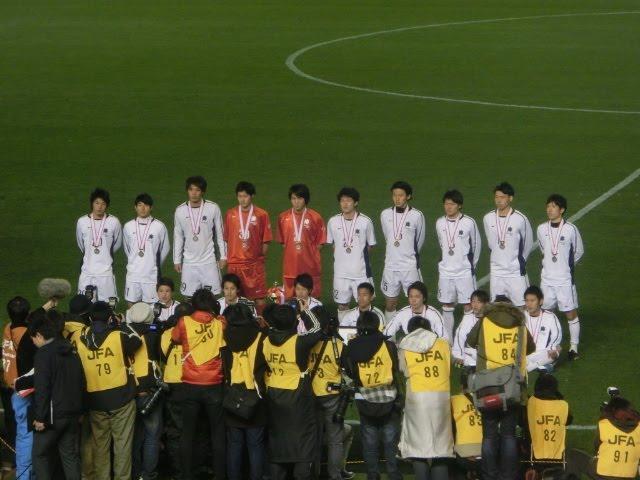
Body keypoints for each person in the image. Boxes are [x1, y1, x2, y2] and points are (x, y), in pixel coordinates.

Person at [466, 297, 535, 480]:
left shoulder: (485, 321)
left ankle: (489, 475)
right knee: (509, 435)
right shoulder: (519, 323)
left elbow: (470, 341)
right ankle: (509, 475)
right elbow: (530, 348)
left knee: (489, 435)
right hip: (513, 386)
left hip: (488, 386)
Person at [76, 301, 142, 480]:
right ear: (110, 318)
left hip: (95, 401)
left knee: (100, 448)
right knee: (122, 447)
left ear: (90, 319)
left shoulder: (81, 340)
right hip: (122, 399)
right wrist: (122, 323)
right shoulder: (118, 336)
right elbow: (137, 340)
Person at [261, 302, 324, 480]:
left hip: (274, 395)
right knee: (304, 441)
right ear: (294, 322)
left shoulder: (265, 339)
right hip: (298, 397)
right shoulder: (299, 342)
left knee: (278, 441)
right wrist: (305, 311)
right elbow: (317, 329)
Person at [171, 288, 227, 480]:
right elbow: (222, 324)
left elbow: (175, 338)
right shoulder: (219, 323)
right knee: (217, 432)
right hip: (214, 383)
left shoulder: (184, 322)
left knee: (188, 432)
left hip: (191, 383)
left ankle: (187, 475)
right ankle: (220, 475)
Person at [343, 311, 403, 480]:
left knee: (369, 443)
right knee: (390, 443)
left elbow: (349, 371)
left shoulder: (352, 346)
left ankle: (372, 475)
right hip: (389, 398)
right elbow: (395, 368)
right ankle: (393, 474)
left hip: (365, 400)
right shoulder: (388, 345)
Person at [29, 309, 85, 480]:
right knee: (69, 456)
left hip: (53, 417)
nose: (33, 343)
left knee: (39, 455)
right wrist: (81, 410)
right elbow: (82, 381)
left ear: (39, 335)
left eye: (33, 339)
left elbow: (42, 387)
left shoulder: (43, 353)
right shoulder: (71, 350)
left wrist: (40, 417)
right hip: (73, 414)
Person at [398, 316, 453, 480]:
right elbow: (448, 367)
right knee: (440, 449)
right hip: (441, 396)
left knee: (417, 448)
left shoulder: (405, 344)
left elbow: (403, 369)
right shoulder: (443, 343)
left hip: (417, 398)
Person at [221, 303, 268, 480]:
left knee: (234, 444)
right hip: (255, 396)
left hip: (233, 395)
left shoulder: (224, 337)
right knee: (255, 445)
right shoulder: (261, 336)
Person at [537, 194, 584, 360]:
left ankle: (573, 347)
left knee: (570, 313)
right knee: (545, 313)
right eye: (548, 206)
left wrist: (565, 266)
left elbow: (578, 251)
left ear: (562, 210)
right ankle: (546, 345)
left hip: (564, 280)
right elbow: (543, 249)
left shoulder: (571, 229)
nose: (549, 209)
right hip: (547, 280)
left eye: (553, 206)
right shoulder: (541, 229)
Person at [307, 307, 351, 480]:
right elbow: (349, 371)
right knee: (335, 440)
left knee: (313, 440)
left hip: (311, 394)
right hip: (332, 395)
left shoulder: (306, 342)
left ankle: (313, 475)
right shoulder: (339, 345)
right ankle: (335, 475)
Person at [435, 190, 481, 340]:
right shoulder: (439, 222)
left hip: (464, 272)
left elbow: (476, 245)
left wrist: (470, 265)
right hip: (445, 272)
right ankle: (448, 341)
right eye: (446, 204)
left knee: (468, 306)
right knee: (447, 305)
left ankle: (468, 339)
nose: (448, 207)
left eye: (452, 204)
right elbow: (442, 244)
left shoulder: (469, 222)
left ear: (459, 205)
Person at [326, 187, 376, 320]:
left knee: (364, 305)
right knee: (342, 306)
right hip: (341, 274)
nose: (345, 204)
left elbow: (370, 245)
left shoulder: (365, 221)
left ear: (356, 202)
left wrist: (357, 259)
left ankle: (365, 330)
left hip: (361, 273)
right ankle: (344, 330)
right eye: (342, 201)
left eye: (348, 200)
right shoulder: (333, 221)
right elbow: (333, 245)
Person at [380, 181, 426, 324]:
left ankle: (415, 332)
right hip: (390, 266)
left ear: (408, 196)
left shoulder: (417, 215)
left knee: (415, 302)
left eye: (401, 195)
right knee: (390, 303)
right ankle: (390, 335)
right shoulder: (385, 214)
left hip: (409, 267)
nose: (397, 198)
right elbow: (388, 237)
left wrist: (407, 253)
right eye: (394, 195)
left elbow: (419, 241)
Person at [173, 175, 227, 298]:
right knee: (189, 298)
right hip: (189, 262)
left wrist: (223, 256)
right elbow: (178, 236)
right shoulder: (180, 210)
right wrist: (177, 260)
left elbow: (221, 233)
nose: (194, 193)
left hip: (209, 261)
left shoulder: (213, 208)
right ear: (187, 191)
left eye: (197, 190)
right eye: (191, 189)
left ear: (203, 192)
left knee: (212, 297)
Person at [482, 182, 533, 307]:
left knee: (522, 306)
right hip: (496, 271)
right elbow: (490, 243)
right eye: (496, 197)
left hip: (515, 271)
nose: (499, 200)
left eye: (502, 197)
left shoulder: (520, 219)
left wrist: (519, 261)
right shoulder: (488, 218)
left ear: (510, 198)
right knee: (497, 307)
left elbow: (528, 243)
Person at [224, 181, 273, 311]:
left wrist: (259, 259)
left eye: (245, 196)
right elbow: (226, 239)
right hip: (235, 264)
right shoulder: (230, 214)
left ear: (252, 196)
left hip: (254, 265)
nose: (242, 199)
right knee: (232, 297)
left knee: (259, 298)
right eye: (240, 196)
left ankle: (260, 321)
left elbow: (266, 240)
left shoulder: (262, 214)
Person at [128, 303, 163, 480]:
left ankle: (135, 473)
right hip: (149, 390)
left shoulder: (123, 334)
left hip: (129, 390)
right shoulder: (153, 335)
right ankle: (148, 475)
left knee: (134, 435)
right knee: (152, 435)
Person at [4, 297, 37, 480]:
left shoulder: (7, 328)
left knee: (18, 432)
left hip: (10, 387)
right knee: (26, 434)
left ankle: (22, 470)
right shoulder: (26, 334)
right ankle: (24, 475)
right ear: (27, 313)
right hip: (23, 391)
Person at [160, 302, 194, 480]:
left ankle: (178, 472)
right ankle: (192, 470)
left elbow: (161, 355)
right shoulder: (196, 332)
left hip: (172, 385)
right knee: (194, 428)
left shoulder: (166, 334)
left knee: (174, 431)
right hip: (192, 384)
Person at [276, 184, 326, 298]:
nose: (296, 202)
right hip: (290, 268)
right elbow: (283, 243)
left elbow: (320, 243)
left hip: (310, 268)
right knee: (290, 300)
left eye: (299, 198)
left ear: (305, 199)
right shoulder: (283, 217)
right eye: (293, 198)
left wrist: (308, 254)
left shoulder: (316, 217)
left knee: (312, 300)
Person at [123, 193, 170, 306]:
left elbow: (165, 249)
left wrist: (154, 265)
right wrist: (135, 262)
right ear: (135, 207)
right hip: (133, 274)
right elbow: (127, 249)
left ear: (151, 208)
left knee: (152, 307)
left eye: (146, 205)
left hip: (151, 276)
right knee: (132, 305)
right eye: (140, 205)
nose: (143, 208)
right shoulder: (128, 226)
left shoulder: (159, 226)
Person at [76, 188, 122, 301]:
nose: (99, 206)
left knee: (108, 306)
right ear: (92, 204)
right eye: (97, 203)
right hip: (87, 272)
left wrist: (105, 253)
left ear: (107, 205)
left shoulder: (114, 222)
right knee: (84, 305)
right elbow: (81, 244)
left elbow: (117, 243)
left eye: (103, 203)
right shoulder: (82, 221)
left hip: (105, 272)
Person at [525, 374, 572, 475]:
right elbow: (569, 420)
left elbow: (521, 421)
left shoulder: (530, 403)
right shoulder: (563, 405)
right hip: (557, 458)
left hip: (533, 456)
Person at [594, 396, 640, 479]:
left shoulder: (604, 424)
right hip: (629, 474)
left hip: (605, 472)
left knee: (574, 456)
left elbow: (596, 446)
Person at [450, 371, 483, 479]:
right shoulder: (486, 400)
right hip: (486, 454)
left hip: (463, 456)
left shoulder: (454, 400)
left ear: (461, 386)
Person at [523, 286, 562, 373]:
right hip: (526, 352)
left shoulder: (550, 316)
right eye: (527, 301)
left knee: (556, 350)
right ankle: (543, 366)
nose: (529, 304)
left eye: (532, 301)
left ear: (541, 301)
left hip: (544, 352)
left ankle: (528, 368)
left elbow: (556, 335)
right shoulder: (522, 316)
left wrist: (552, 347)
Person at [452, 289, 489, 370]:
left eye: (479, 302)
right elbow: (459, 337)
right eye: (473, 301)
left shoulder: (491, 318)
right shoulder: (467, 318)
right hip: (472, 356)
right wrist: (458, 356)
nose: (475, 305)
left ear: (486, 304)